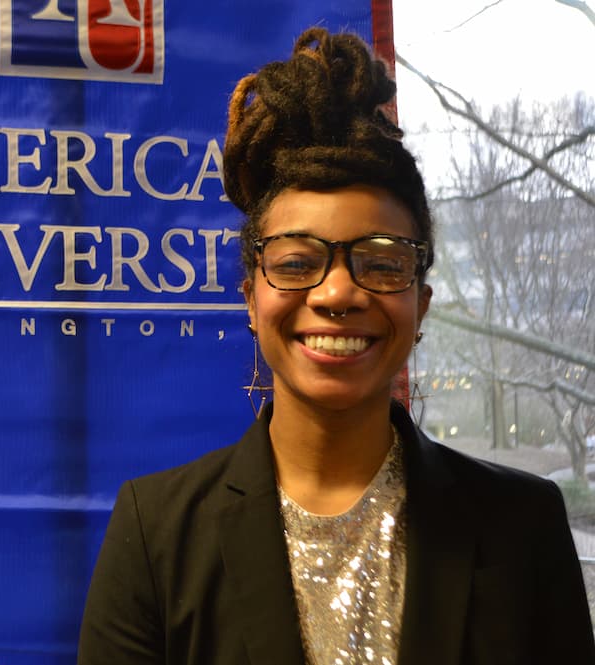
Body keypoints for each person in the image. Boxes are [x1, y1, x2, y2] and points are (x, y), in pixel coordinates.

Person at [77, 27, 594, 665]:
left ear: (419, 304)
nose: (338, 293)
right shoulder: (157, 533)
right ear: (251, 299)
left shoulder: (523, 526)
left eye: (381, 262)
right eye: (297, 263)